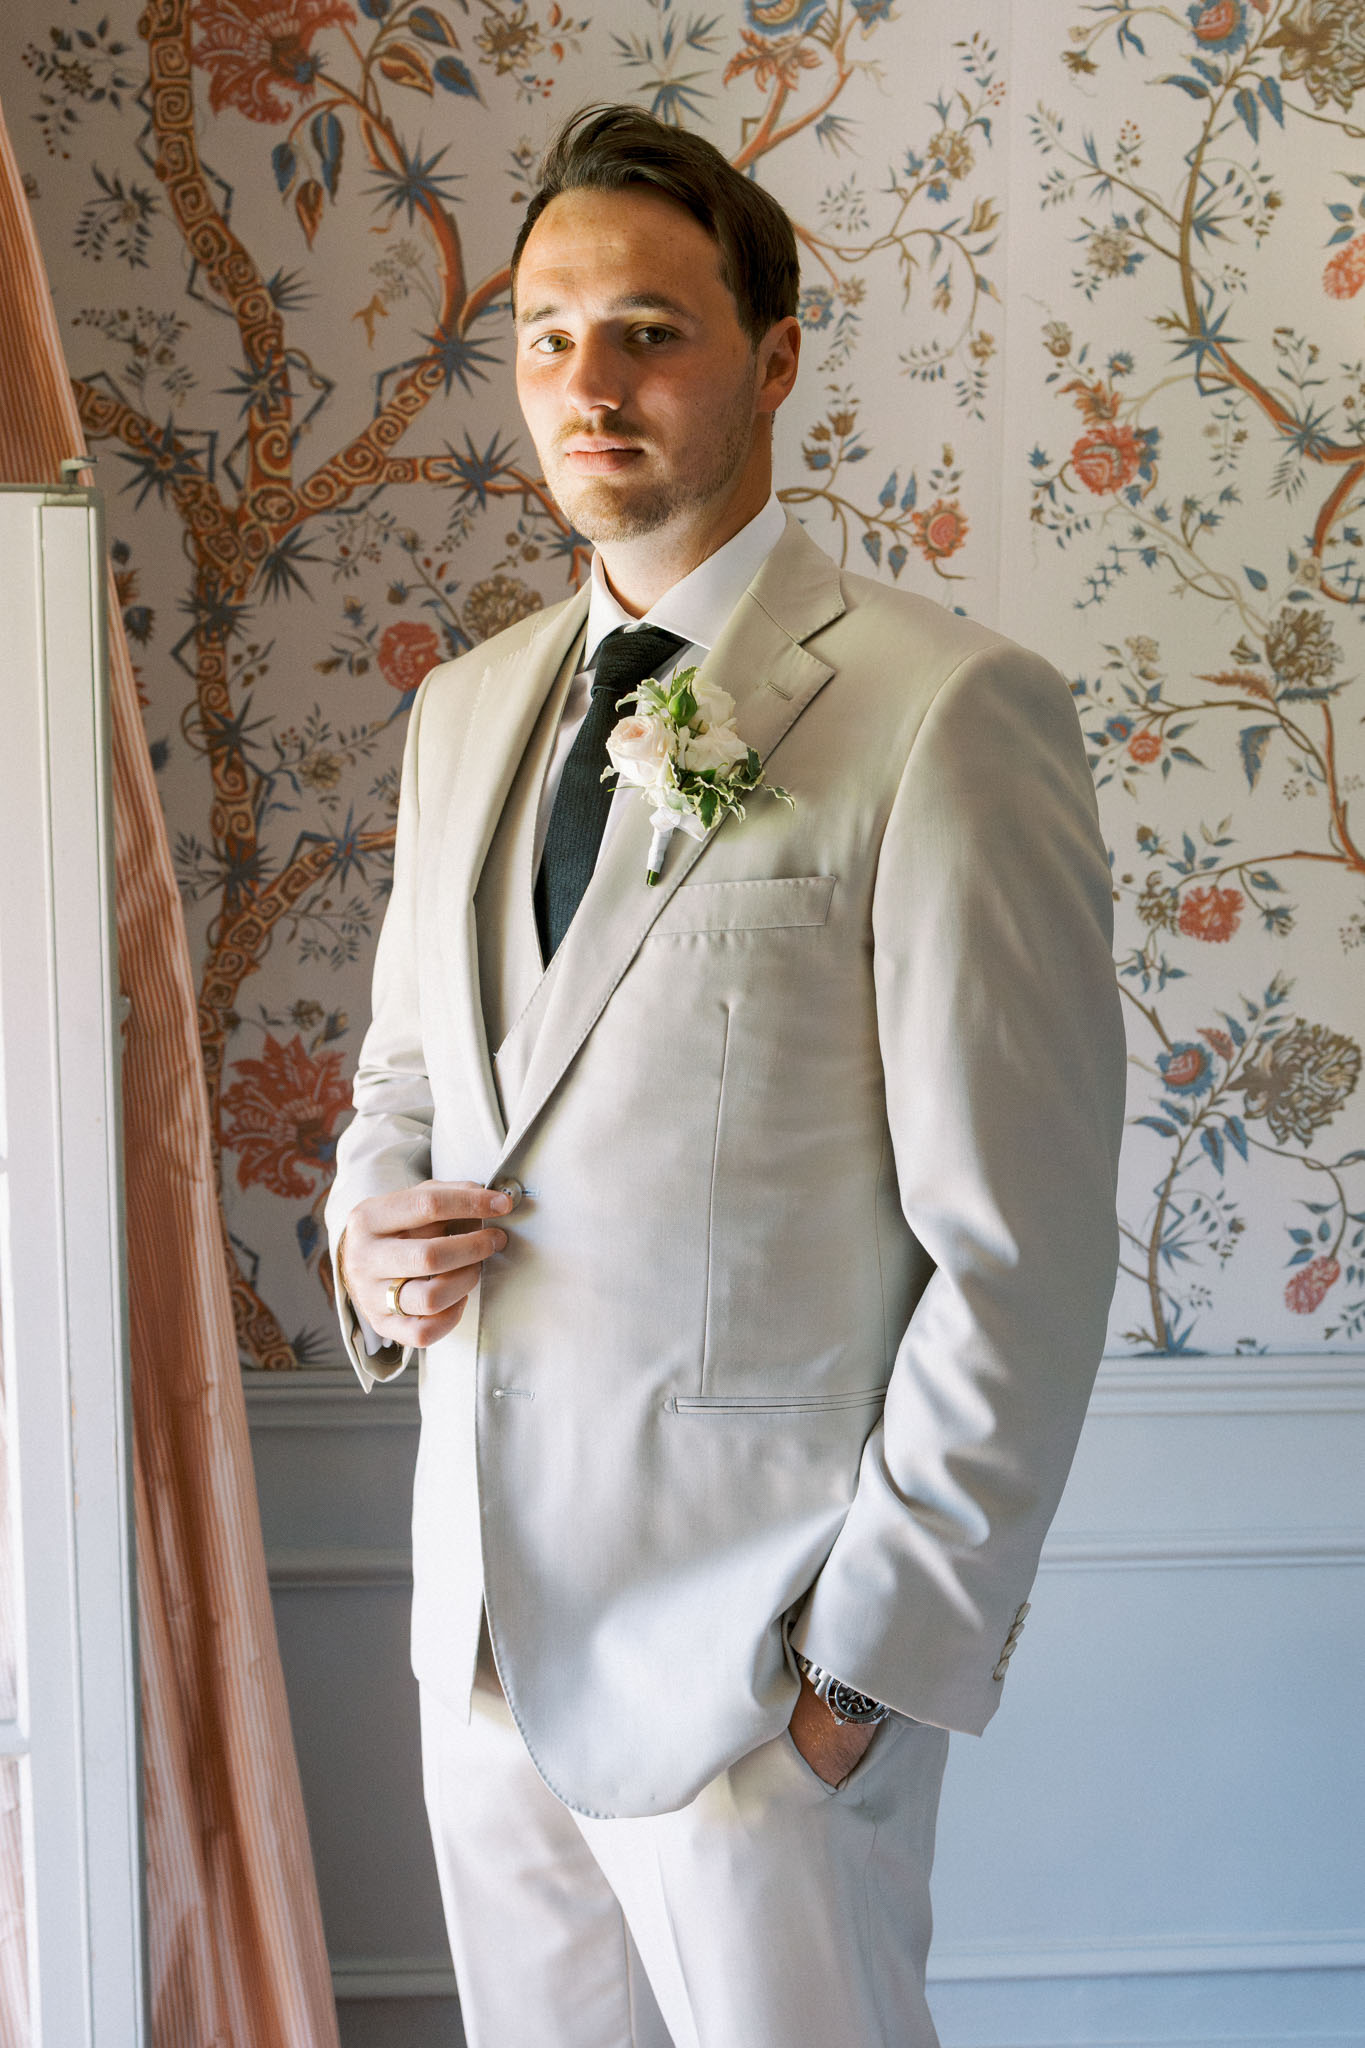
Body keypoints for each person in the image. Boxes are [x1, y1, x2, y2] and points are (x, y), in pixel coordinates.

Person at [324, 103, 1125, 2048]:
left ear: (771, 355)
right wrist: (367, 1247)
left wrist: (853, 1682)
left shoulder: (941, 711)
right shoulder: (459, 714)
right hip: (485, 1651)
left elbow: (1017, 1257)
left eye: (648, 331)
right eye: (543, 333)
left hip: (760, 1678)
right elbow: (402, 1092)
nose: (584, 382)